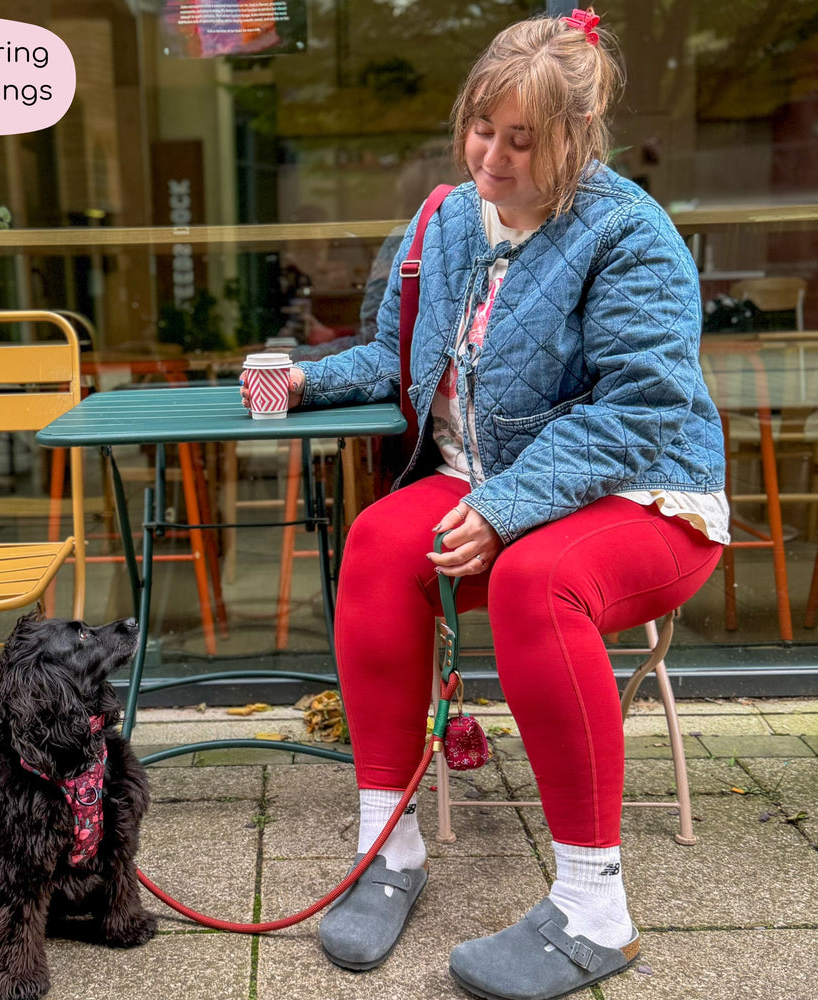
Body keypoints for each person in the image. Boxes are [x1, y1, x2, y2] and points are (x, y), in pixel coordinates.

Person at [241, 9, 728, 999]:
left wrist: (507, 506)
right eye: (480, 129)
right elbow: (400, 355)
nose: (491, 159)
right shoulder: (447, 221)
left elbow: (642, 409)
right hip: (490, 479)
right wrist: (305, 381)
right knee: (377, 542)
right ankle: (388, 848)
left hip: (645, 491)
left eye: (521, 141)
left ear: (575, 138)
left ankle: (594, 910)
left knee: (536, 580)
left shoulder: (630, 234)